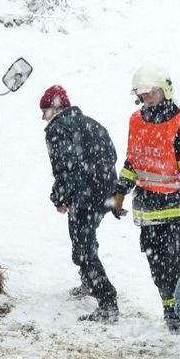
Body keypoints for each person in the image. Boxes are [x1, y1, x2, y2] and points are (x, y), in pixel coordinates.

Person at [111, 63, 180, 334]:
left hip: (177, 208)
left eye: (152, 91)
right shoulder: (136, 121)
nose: (147, 97)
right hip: (148, 210)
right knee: (158, 268)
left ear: (165, 90)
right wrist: (120, 191)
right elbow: (133, 160)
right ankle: (172, 314)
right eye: (142, 92)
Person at [40, 85, 119, 322]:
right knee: (87, 236)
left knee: (82, 250)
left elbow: (65, 168)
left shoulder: (57, 129)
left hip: (84, 196)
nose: (42, 116)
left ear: (56, 107)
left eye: (44, 110)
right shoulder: (92, 123)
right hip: (106, 193)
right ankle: (88, 282)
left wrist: (62, 197)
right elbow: (111, 156)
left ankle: (107, 302)